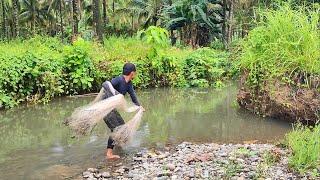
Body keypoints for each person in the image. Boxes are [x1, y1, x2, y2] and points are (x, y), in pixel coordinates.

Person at [102, 63, 144, 159]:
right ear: (132, 73)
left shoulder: (128, 84)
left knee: (123, 127)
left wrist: (140, 106)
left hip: (111, 109)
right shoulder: (118, 80)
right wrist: (115, 94)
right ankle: (109, 154)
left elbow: (133, 96)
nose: (135, 74)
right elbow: (105, 84)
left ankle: (117, 146)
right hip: (104, 108)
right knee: (116, 129)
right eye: (135, 73)